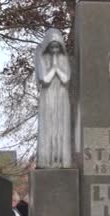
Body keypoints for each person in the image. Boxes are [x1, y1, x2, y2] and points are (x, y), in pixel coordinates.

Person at [34, 28, 72, 168]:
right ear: (48, 46)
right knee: (48, 126)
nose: (55, 49)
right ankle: (46, 160)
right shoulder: (41, 58)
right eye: (52, 46)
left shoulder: (64, 58)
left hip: (61, 96)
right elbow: (44, 79)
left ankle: (62, 160)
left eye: (57, 46)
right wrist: (54, 68)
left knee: (61, 127)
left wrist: (57, 65)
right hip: (48, 96)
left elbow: (66, 79)